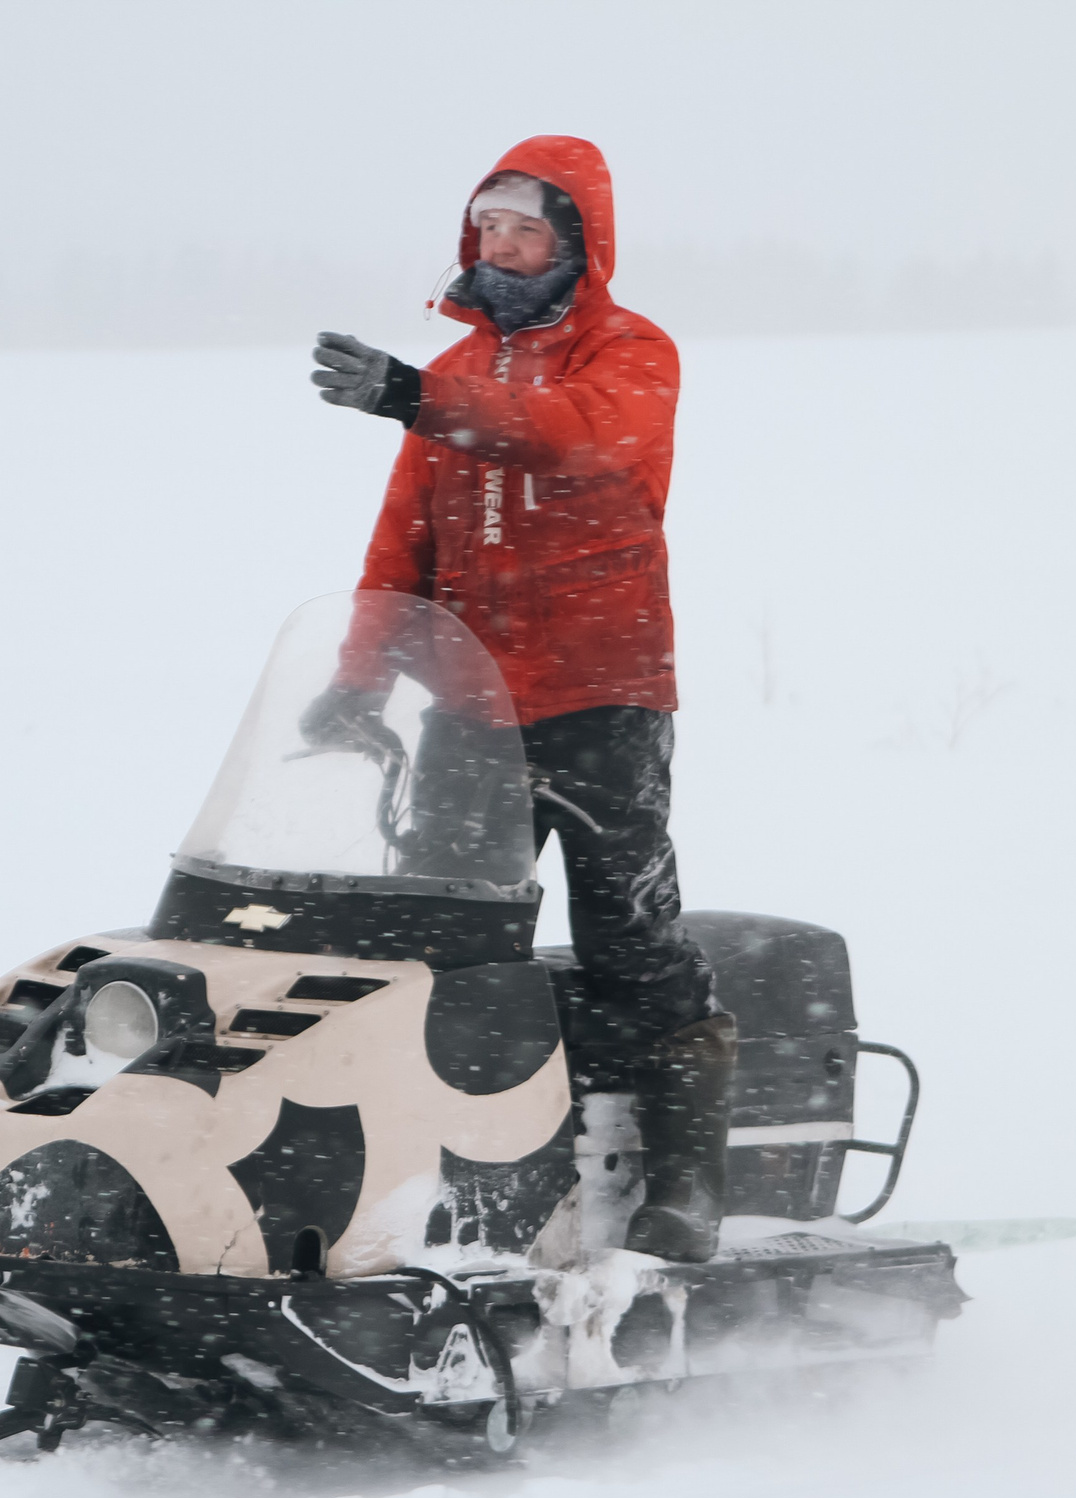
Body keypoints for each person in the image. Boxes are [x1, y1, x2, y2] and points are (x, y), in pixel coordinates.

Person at [303, 136, 734, 1264]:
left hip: (603, 695)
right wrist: (356, 680)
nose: (498, 245)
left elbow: (579, 443)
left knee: (627, 938)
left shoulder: (631, 357)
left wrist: (411, 395)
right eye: (484, 225)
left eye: (524, 228)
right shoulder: (458, 378)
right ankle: (444, 1176)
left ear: (577, 242)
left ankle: (687, 1180)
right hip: (470, 705)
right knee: (434, 943)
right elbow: (404, 545)